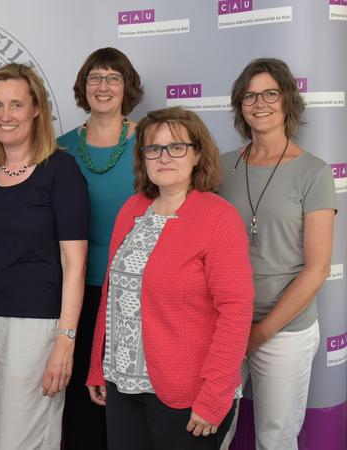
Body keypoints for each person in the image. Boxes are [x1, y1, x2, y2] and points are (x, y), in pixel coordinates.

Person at [86, 107, 253, 450]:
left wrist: (214, 397)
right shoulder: (132, 209)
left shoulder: (219, 218)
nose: (164, 157)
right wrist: (97, 365)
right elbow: (111, 295)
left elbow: (236, 312)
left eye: (177, 147)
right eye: (153, 148)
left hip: (187, 392)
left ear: (197, 155)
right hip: (123, 385)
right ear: (143, 157)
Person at [0, 63, 89, 449]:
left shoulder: (61, 171)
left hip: (37, 328)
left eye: (16, 104)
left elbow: (74, 263)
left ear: (36, 109)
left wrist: (66, 341)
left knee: (24, 440)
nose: (5, 115)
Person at [219, 58, 336, 450]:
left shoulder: (314, 172)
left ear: (287, 100)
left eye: (271, 93)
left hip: (285, 331)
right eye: (250, 96)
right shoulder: (220, 167)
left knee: (275, 439)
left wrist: (259, 334)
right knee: (211, 431)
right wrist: (235, 332)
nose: (260, 103)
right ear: (239, 105)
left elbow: (317, 270)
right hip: (223, 324)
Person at [56, 47, 143, 449]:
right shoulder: (58, 148)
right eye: (94, 77)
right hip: (76, 295)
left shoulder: (152, 143)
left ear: (128, 87)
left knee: (129, 404)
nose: (103, 86)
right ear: (83, 87)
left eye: (113, 77)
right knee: (79, 406)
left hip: (138, 297)